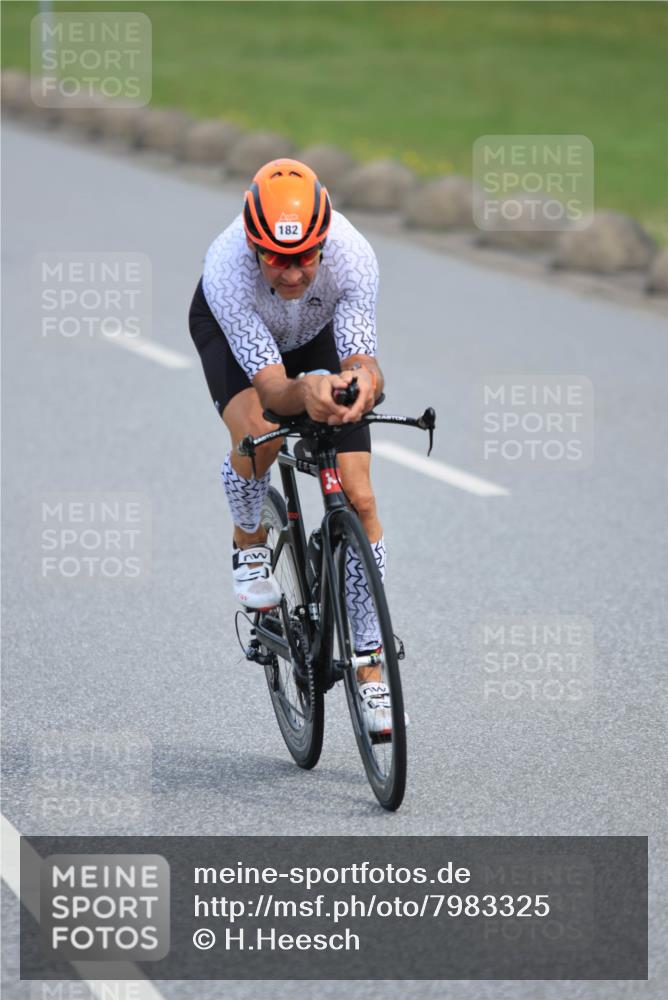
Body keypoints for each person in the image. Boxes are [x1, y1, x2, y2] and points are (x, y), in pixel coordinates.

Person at [189, 158, 405, 733]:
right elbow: (273, 390)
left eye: (306, 257)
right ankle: (247, 536)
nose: (291, 273)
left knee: (360, 498)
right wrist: (304, 392)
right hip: (241, 345)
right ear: (253, 245)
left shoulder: (354, 257)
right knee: (259, 437)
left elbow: (362, 355)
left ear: (325, 241)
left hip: (314, 336)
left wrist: (362, 386)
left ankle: (370, 661)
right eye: (276, 258)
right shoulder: (228, 271)